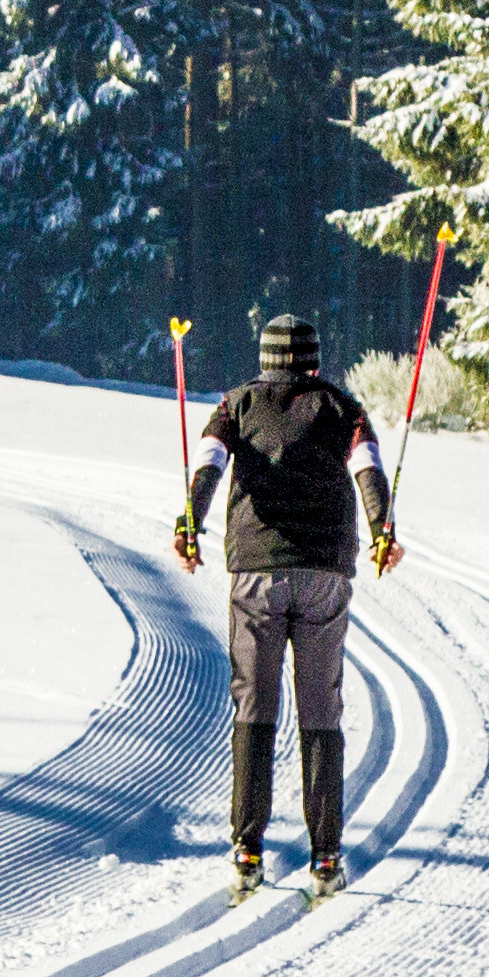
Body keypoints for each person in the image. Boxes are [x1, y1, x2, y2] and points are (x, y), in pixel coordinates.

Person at [173, 311, 401, 897]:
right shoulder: (342, 409)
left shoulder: (235, 405)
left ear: (265, 358)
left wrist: (190, 524)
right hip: (324, 573)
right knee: (320, 708)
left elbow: (208, 466)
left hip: (255, 575)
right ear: (315, 360)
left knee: (254, 705)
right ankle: (325, 856)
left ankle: (247, 850)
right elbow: (367, 469)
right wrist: (382, 530)